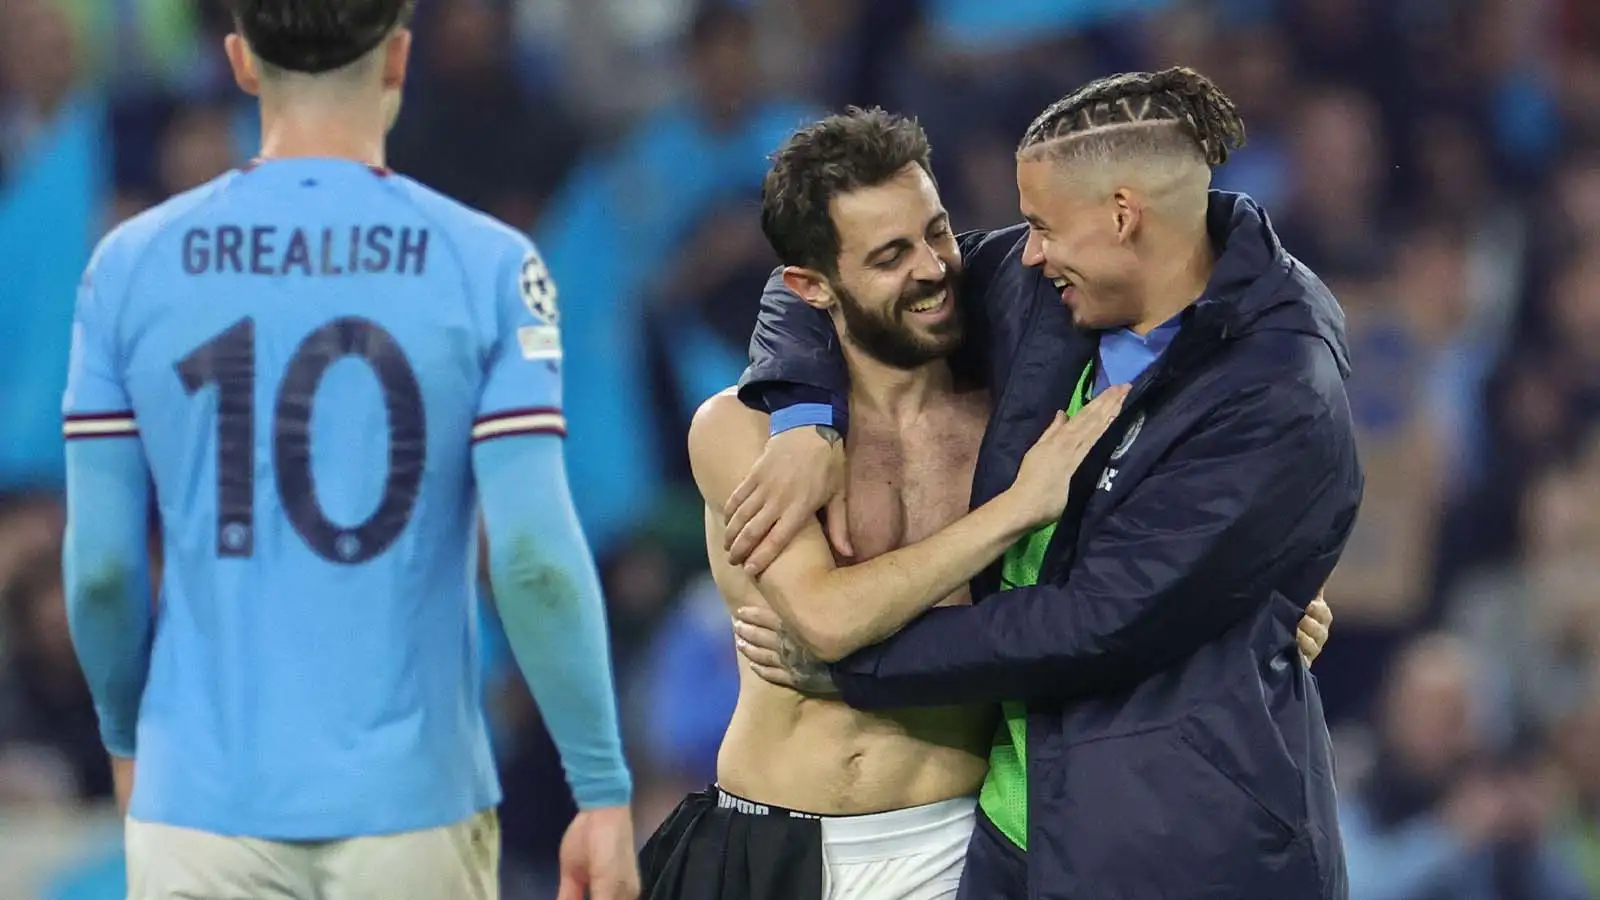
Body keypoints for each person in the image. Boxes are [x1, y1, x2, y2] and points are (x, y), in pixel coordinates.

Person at [644, 107, 1336, 900]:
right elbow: (826, 621)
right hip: (765, 845)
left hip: (958, 851)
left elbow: (1118, 597)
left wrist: (1246, 615)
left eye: (937, 231)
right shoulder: (746, 430)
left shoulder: (1020, 421)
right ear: (812, 286)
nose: (936, 267)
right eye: (891, 255)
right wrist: (1012, 509)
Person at [58, 3, 638, 899]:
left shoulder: (128, 265)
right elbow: (532, 560)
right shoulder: (489, 265)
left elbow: (100, 571)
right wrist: (599, 787)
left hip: (199, 805)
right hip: (414, 805)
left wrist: (127, 737)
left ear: (241, 63)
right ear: (399, 59)